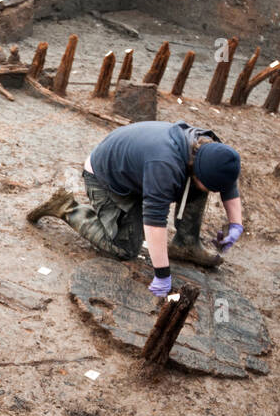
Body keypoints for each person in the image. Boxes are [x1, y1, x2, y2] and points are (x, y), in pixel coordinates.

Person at [28, 120, 244, 297]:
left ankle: (186, 244)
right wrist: (162, 274)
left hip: (139, 170)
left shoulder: (212, 149)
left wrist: (236, 224)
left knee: (198, 188)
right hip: (106, 179)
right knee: (124, 248)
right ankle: (67, 208)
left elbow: (227, 182)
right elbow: (154, 221)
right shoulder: (164, 165)